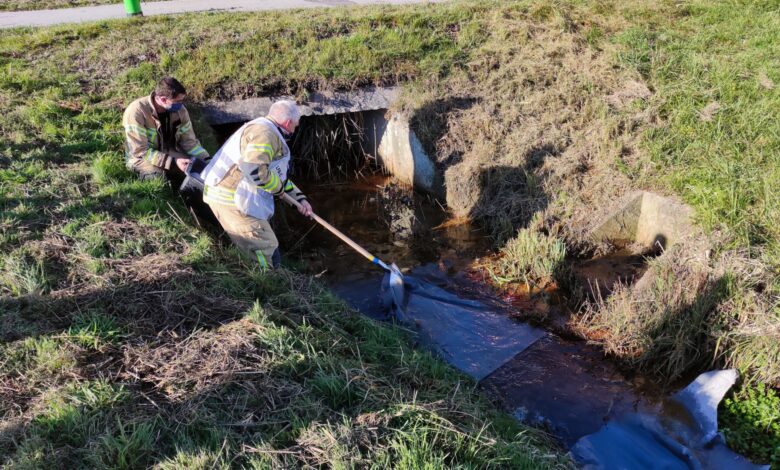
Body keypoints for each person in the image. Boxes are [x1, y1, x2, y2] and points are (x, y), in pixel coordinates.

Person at [201, 100, 312, 270]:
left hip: (240, 197)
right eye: (295, 126)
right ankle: (265, 278)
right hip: (231, 199)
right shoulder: (264, 134)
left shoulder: (268, 130)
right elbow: (255, 170)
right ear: (288, 122)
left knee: (267, 244)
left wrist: (299, 200)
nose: (294, 130)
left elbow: (277, 177)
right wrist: (279, 190)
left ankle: (269, 273)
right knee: (264, 246)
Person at [122, 77, 210, 181]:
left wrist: (207, 160)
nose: (181, 104)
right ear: (163, 99)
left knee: (198, 170)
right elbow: (140, 151)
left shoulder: (181, 111)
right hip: (142, 158)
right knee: (159, 177)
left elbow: (190, 142)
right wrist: (173, 162)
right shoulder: (136, 112)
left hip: (171, 154)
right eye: (178, 101)